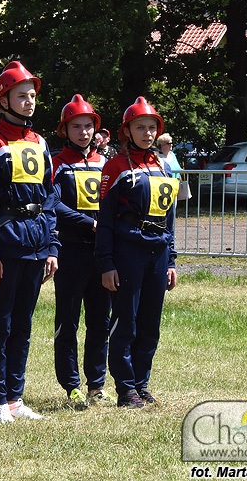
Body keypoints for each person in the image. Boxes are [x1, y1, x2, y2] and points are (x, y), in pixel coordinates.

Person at [0, 61, 59, 423]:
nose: (29, 101)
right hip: (6, 247)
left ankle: (15, 399)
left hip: (36, 247)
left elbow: (50, 196)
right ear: (3, 100)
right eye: (22, 95)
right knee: (1, 326)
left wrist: (52, 246)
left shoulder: (40, 143)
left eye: (32, 96)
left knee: (23, 326)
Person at [95, 96, 178, 408]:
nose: (147, 133)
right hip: (128, 251)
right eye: (140, 127)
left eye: (151, 127)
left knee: (149, 323)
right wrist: (106, 263)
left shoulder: (163, 167)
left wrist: (171, 260)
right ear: (127, 131)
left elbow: (169, 218)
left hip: (158, 253)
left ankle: (142, 383)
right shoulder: (115, 167)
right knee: (126, 322)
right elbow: (105, 220)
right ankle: (125, 388)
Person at [51, 95, 113, 408]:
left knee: (100, 322)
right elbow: (53, 203)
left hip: (101, 255)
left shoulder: (105, 164)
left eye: (88, 126)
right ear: (65, 130)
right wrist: (89, 223)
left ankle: (96, 385)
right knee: (68, 322)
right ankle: (71, 385)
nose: (84, 132)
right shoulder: (57, 164)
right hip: (71, 251)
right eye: (76, 126)